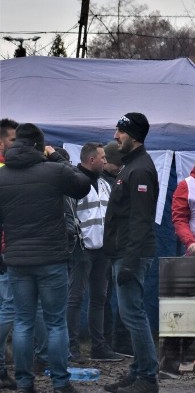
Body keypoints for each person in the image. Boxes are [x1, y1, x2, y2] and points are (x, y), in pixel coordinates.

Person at [0, 123, 91, 393]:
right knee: (55, 323)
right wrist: (57, 156)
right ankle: (61, 383)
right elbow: (83, 185)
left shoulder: (2, 177)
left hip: (17, 260)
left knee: (23, 323)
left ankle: (25, 383)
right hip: (51, 258)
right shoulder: (54, 171)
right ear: (40, 145)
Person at [102, 113, 160, 393]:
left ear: (134, 135)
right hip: (124, 252)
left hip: (131, 254)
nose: (115, 136)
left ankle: (148, 378)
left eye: (120, 132)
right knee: (132, 313)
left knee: (133, 314)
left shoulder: (140, 170)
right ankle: (138, 371)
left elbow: (140, 219)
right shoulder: (130, 166)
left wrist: (129, 261)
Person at [67, 143, 124, 363]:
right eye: (102, 157)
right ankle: (72, 347)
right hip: (81, 250)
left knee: (99, 298)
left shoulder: (104, 183)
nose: (105, 160)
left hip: (102, 250)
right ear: (91, 160)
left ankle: (98, 347)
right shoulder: (73, 184)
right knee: (75, 298)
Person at [101, 140, 132, 358]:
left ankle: (117, 341)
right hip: (106, 247)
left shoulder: (118, 180)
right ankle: (108, 341)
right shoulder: (103, 183)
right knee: (103, 298)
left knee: (118, 297)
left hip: (116, 246)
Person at [0, 118, 18, 389]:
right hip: (5, 250)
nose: (19, 145)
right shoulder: (5, 170)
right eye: (14, 140)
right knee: (8, 308)